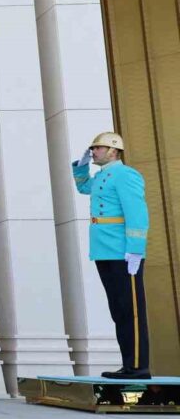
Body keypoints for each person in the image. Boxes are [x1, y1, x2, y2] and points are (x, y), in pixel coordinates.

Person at [73, 132, 151, 380]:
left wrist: (136, 249)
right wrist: (82, 165)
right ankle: (129, 364)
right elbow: (84, 187)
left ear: (114, 151)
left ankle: (138, 367)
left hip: (123, 251)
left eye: (98, 148)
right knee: (118, 310)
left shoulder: (126, 174)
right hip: (104, 249)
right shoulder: (101, 176)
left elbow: (137, 213)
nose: (93, 151)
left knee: (131, 311)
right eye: (93, 147)